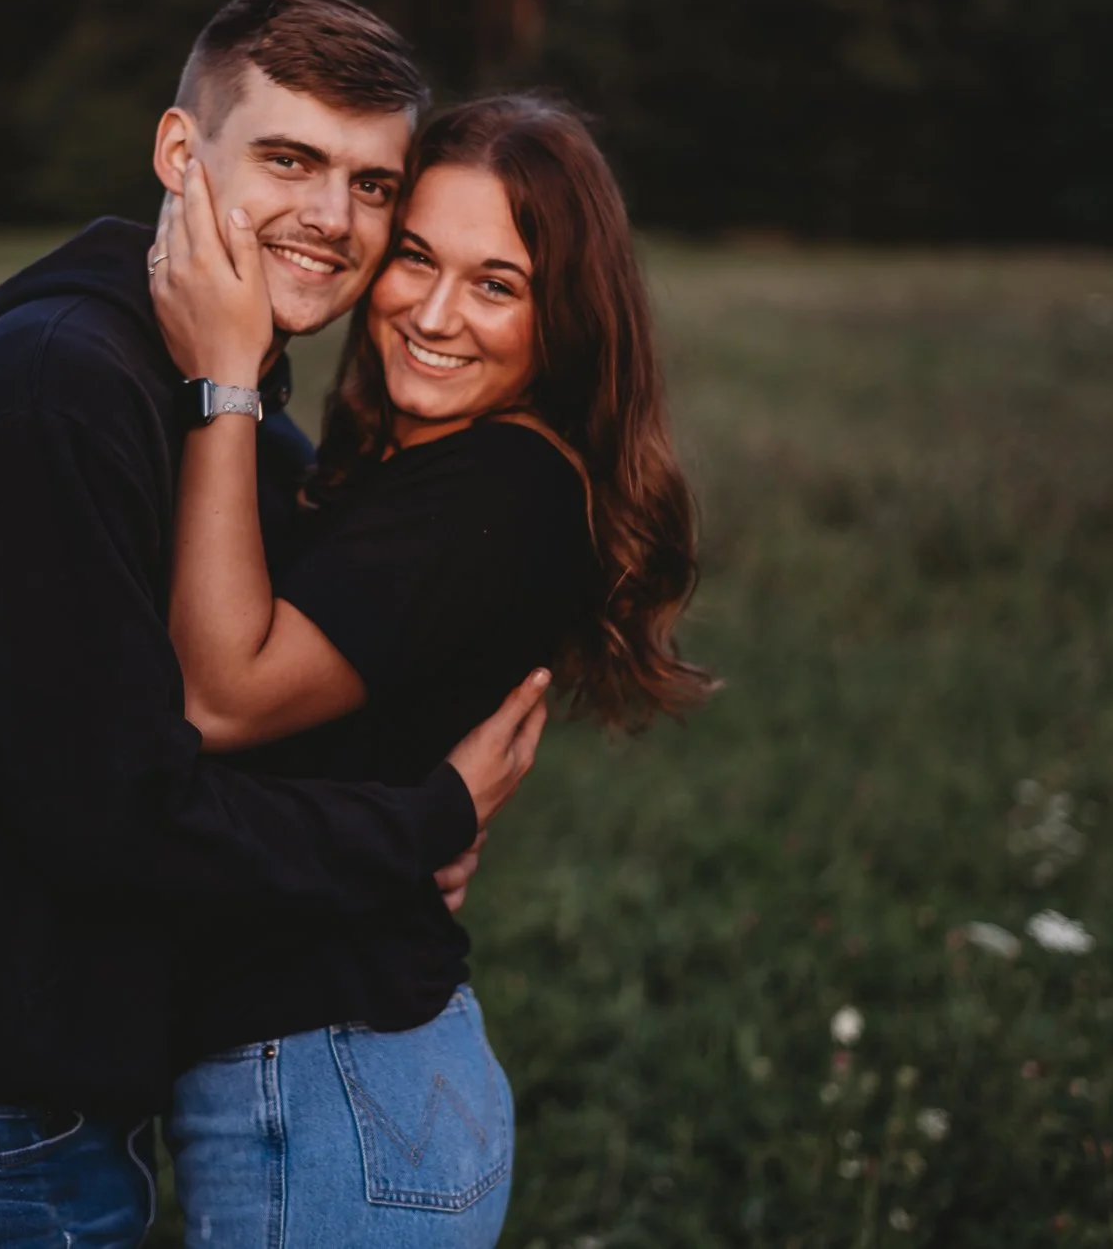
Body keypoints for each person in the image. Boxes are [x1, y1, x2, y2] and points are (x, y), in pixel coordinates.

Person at [0, 0, 552, 1249]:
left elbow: (239, 716)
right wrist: (417, 826)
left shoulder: (219, 419)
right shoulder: (53, 394)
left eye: (370, 183)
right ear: (181, 153)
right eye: (288, 160)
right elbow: (117, 811)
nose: (330, 218)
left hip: (60, 1085)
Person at [148, 94, 714, 1246]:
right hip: (345, 1075)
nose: (434, 314)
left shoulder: (500, 488)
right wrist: (429, 817)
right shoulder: (421, 467)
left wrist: (224, 377)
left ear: (565, 319)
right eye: (414, 258)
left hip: (335, 1078)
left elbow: (217, 695)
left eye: (496, 284)